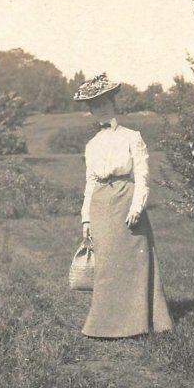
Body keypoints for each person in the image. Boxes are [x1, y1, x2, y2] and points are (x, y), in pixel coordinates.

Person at [73, 73, 173, 338]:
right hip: (100, 205)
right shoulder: (92, 144)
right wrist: (86, 219)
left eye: (104, 103)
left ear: (113, 103)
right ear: (91, 110)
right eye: (94, 105)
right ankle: (103, 325)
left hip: (126, 200)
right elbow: (90, 182)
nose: (100, 109)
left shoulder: (132, 136)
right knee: (106, 266)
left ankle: (138, 322)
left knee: (132, 262)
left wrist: (137, 207)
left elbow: (142, 175)